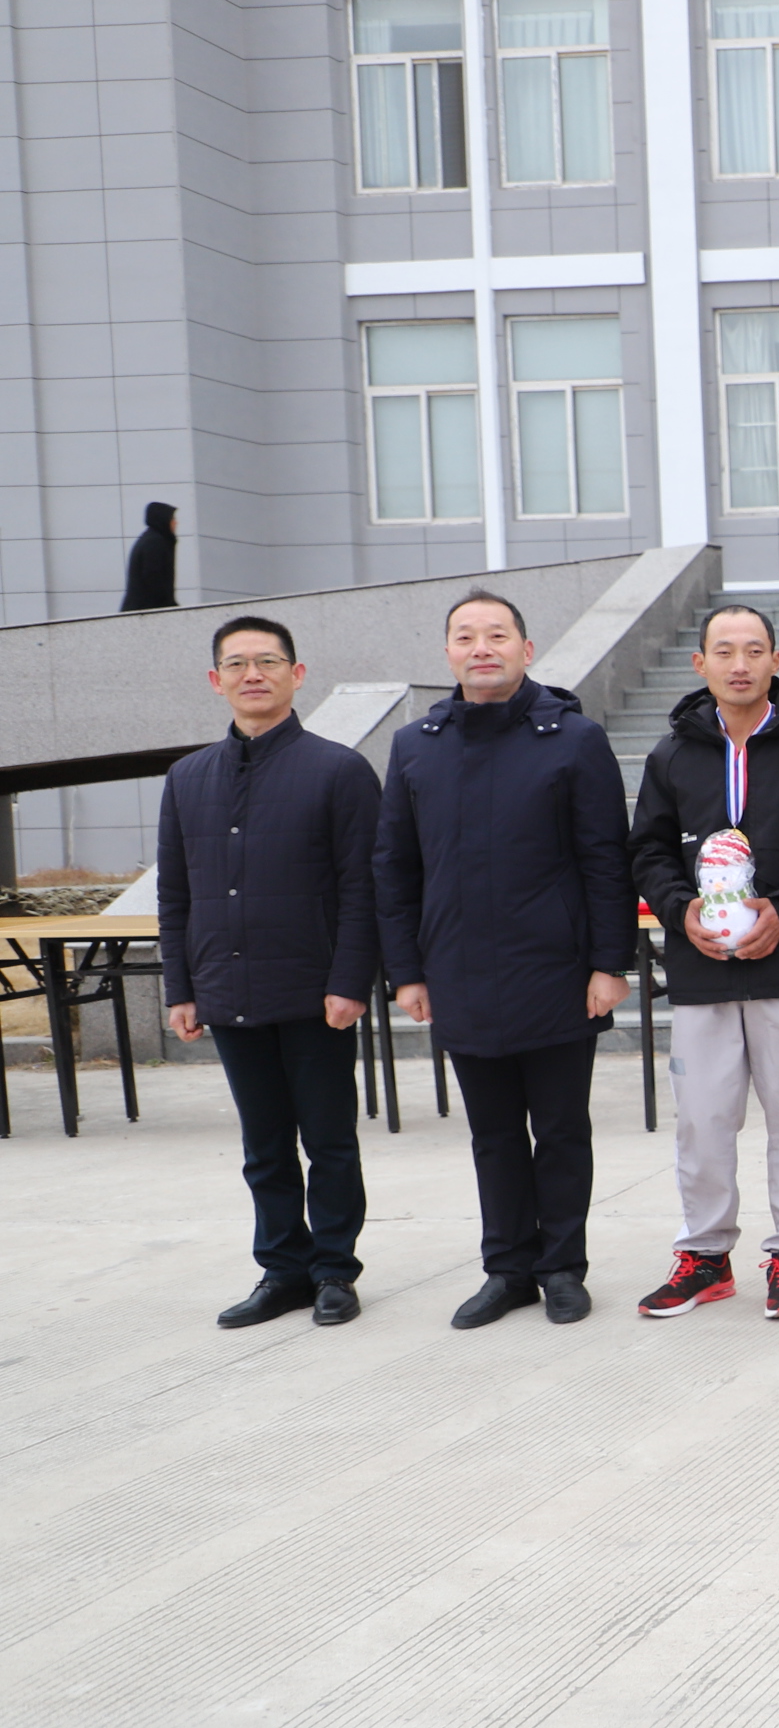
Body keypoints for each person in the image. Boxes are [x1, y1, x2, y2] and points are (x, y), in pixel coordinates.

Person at [377, 592, 633, 1329]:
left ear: (526, 648)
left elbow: (605, 859)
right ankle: (508, 1269)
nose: (481, 648)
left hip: (556, 972)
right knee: (491, 1135)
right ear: (448, 653)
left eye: (497, 635)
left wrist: (609, 963)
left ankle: (562, 1268)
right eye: (466, 637)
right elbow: (394, 866)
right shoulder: (416, 745)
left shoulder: (573, 739)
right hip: (457, 971)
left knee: (560, 1131)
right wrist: (407, 971)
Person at [626, 604, 779, 1321]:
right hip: (703, 969)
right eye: (724, 651)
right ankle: (705, 1255)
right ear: (699, 663)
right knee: (702, 1119)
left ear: (775, 661)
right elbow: (648, 851)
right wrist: (681, 911)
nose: (739, 664)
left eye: (754, 650)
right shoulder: (672, 756)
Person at [160, 615, 381, 1329]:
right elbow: (176, 893)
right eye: (236, 664)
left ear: (297, 674)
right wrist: (181, 988)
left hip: (315, 992)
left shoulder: (339, 770)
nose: (252, 675)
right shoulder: (187, 778)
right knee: (263, 1148)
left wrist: (350, 982)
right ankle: (282, 1269)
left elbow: (363, 889)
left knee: (329, 1142)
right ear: (215, 679)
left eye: (268, 661)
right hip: (226, 990)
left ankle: (334, 1271)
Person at [121, 502, 178, 611]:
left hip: (144, 609)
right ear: (163, 520)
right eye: (172, 518)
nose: (175, 522)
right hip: (145, 611)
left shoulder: (151, 539)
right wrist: (168, 605)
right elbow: (153, 577)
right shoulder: (155, 542)